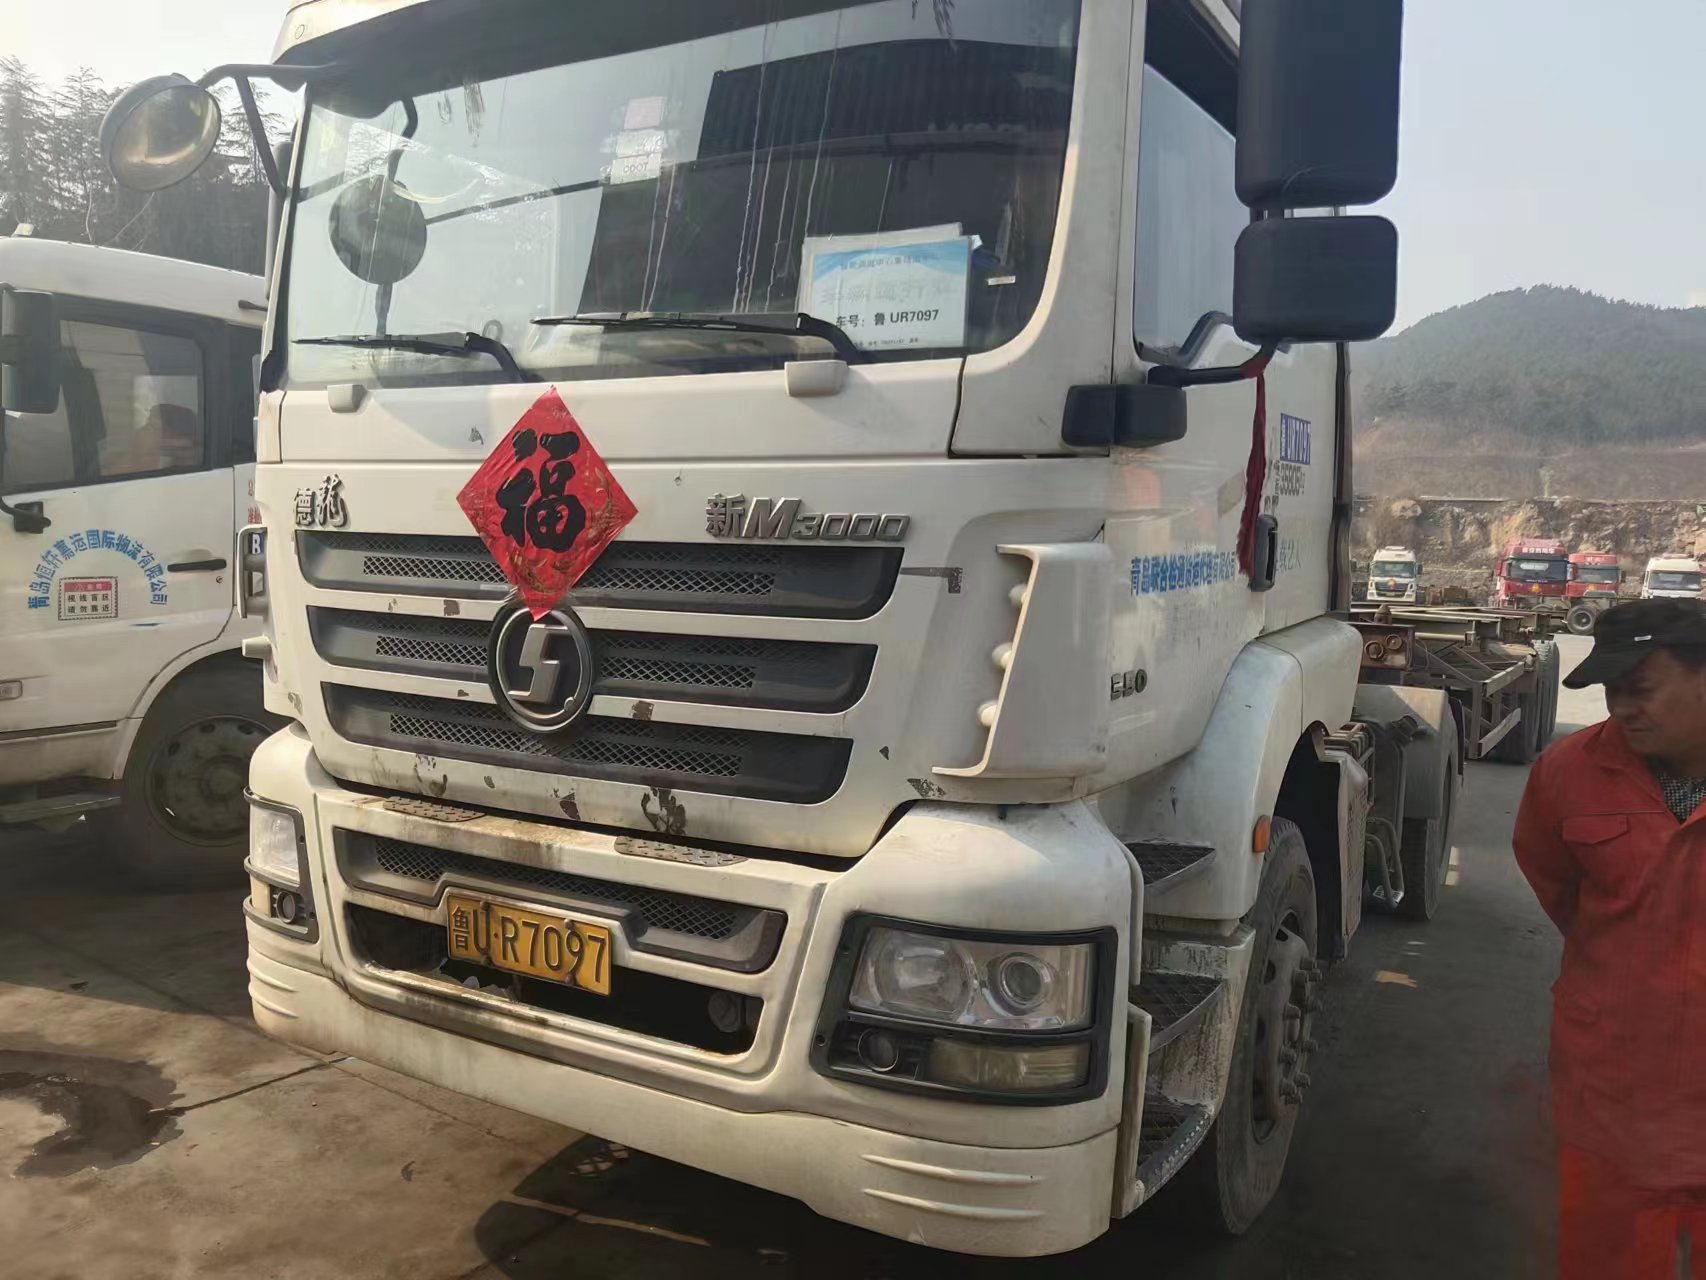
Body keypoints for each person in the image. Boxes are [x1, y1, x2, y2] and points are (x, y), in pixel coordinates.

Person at [1514, 599, 1706, 1279]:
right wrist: (1631, 959)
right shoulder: (1568, 774)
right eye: (1610, 690)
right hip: (1612, 1094)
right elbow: (1555, 882)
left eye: (1640, 688)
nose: (1622, 707)